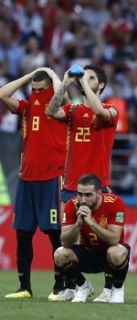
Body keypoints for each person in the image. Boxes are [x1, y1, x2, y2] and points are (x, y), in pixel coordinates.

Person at [46, 64, 119, 302]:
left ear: (101, 85)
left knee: (102, 238)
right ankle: (76, 286)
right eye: (84, 76)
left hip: (99, 188)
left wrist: (84, 85)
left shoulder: (110, 110)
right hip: (71, 186)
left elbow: (98, 111)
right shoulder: (74, 110)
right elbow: (50, 111)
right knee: (67, 237)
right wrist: (65, 83)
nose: (85, 80)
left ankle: (109, 288)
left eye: (91, 78)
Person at [0, 67, 67, 300]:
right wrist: (30, 76)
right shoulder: (27, 108)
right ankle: (24, 287)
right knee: (23, 233)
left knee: (54, 233)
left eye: (41, 89)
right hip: (26, 178)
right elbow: (3, 94)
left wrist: (52, 73)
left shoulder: (59, 108)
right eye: (33, 89)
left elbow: (62, 92)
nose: (36, 92)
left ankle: (60, 285)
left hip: (51, 177)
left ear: (50, 88)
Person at [54, 174, 130, 304]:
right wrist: (78, 225)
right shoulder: (72, 205)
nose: (83, 200)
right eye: (80, 194)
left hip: (110, 256)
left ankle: (117, 289)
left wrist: (91, 223)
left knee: (116, 252)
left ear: (99, 193)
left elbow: (114, 240)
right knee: (60, 254)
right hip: (88, 253)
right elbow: (65, 242)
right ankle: (83, 286)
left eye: (88, 195)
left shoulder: (115, 203)